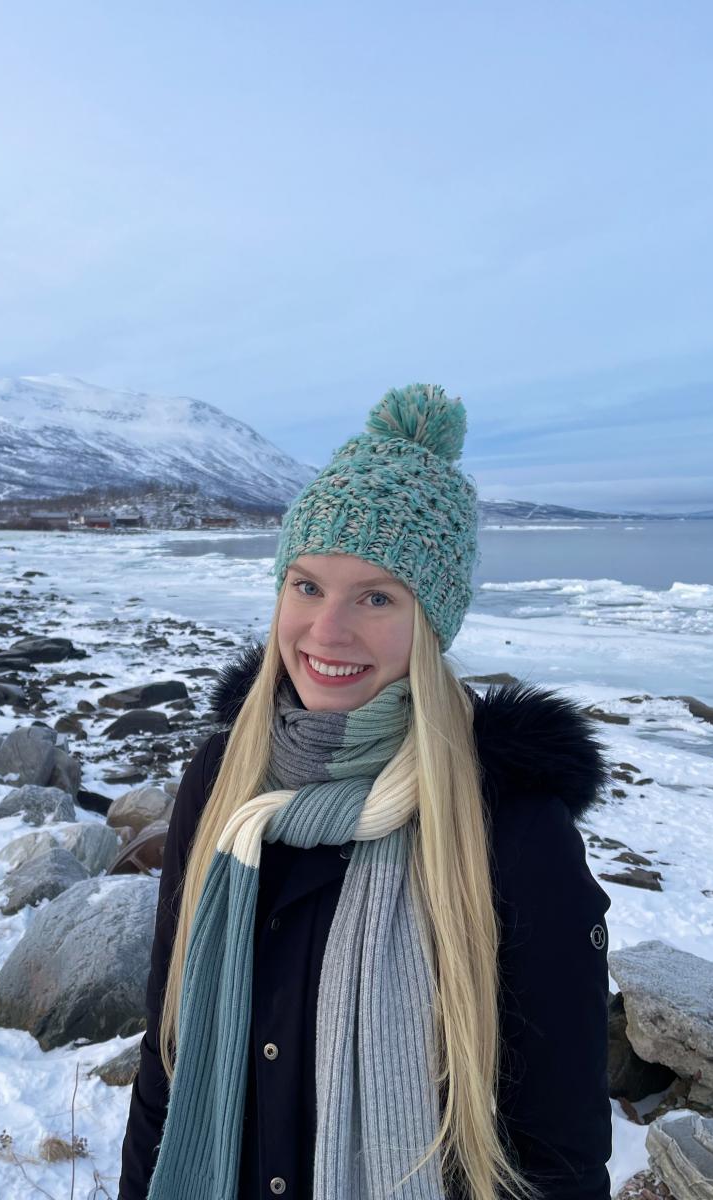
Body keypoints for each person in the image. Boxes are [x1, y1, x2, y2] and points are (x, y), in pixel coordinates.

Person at [118, 384, 613, 1200]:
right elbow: (167, 1055)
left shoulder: (510, 822)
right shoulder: (224, 776)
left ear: (433, 621)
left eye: (376, 597)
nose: (327, 632)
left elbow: (555, 1152)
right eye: (306, 586)